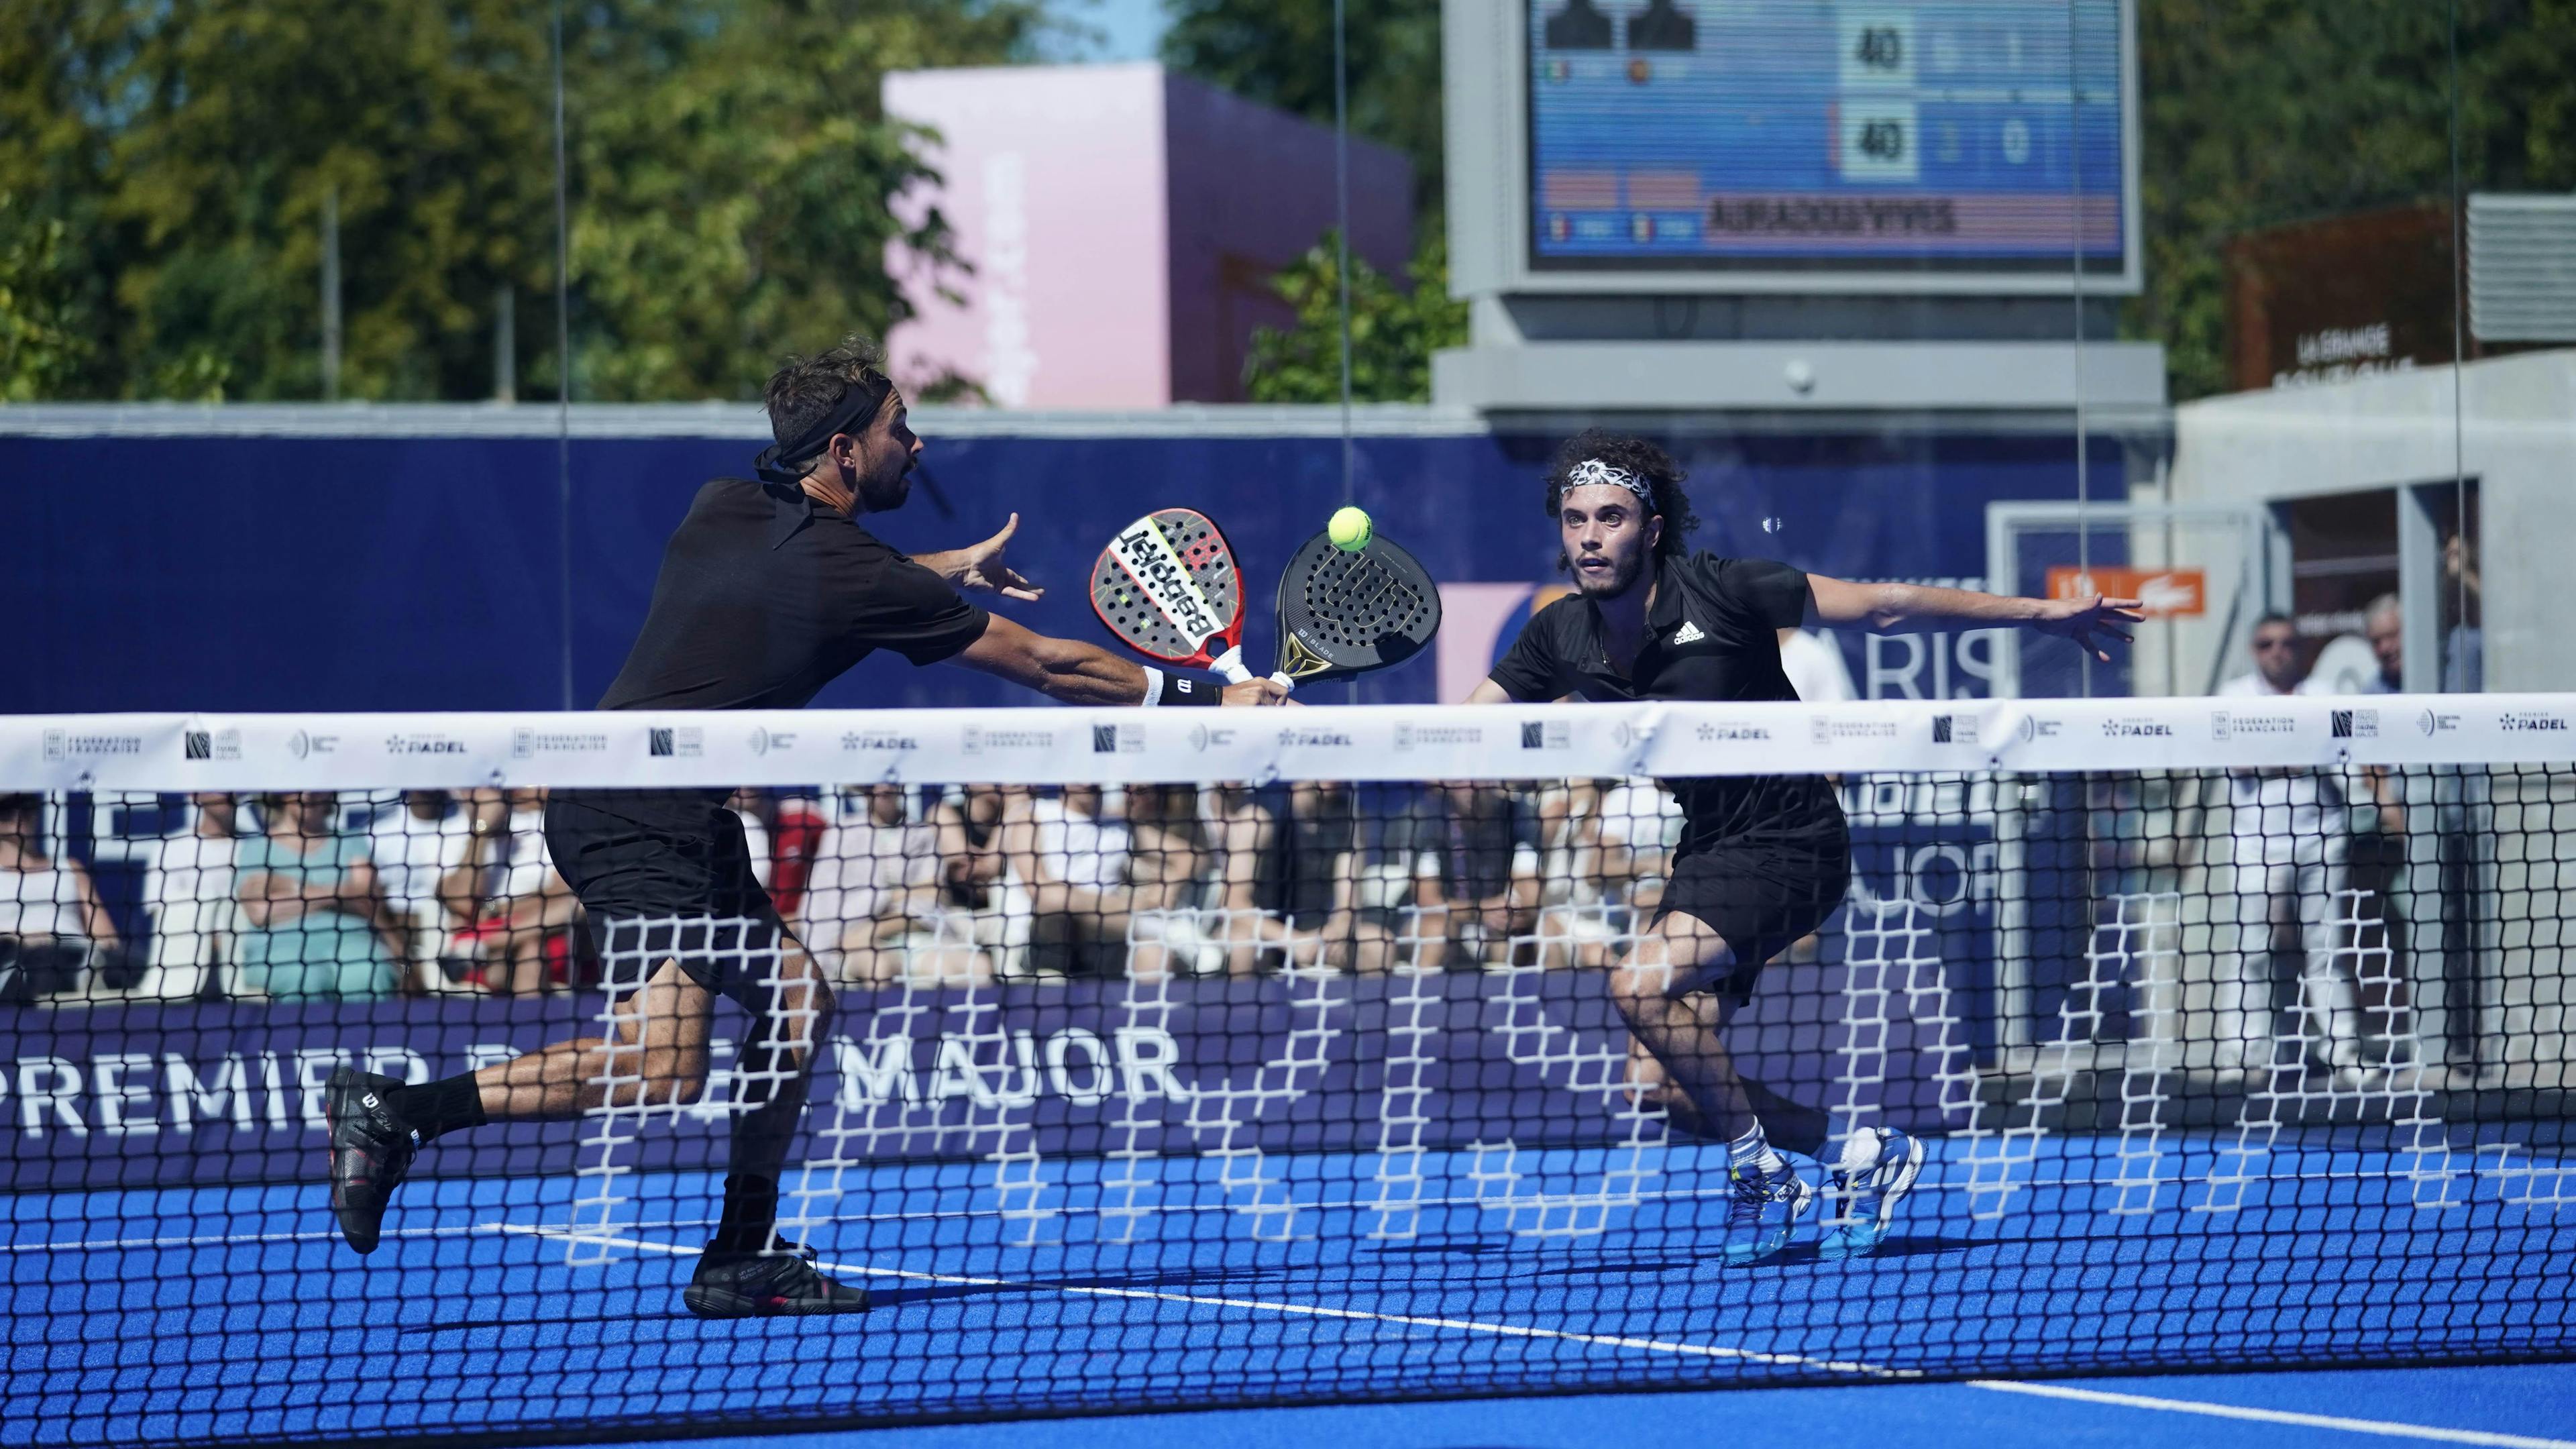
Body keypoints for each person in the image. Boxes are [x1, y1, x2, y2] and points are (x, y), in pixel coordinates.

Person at [323, 335, 1286, 1317]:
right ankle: (397, 1113)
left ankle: (740, 1252)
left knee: (796, 1001)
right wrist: (1215, 703)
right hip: (634, 819)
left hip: (659, 814)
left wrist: (944, 567)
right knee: (666, 1065)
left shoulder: (724, 505)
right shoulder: (854, 573)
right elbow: (1052, 666)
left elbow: (818, 574)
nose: (917, 443)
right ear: (844, 451)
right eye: (898, 429)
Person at [1458, 431, 2140, 1266]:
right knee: (1664, 1086)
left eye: (1611, 517)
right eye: (1575, 520)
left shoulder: (1726, 591)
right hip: (1708, 850)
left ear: (1654, 528)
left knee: (1638, 983)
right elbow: (1461, 730)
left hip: (1795, 838)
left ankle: (1760, 1172)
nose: (1591, 536)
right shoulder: (1559, 634)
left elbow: (1886, 604)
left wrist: (2046, 613)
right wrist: (1299, 724)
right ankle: (1861, 1156)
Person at [233, 791, 401, 1002]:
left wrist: (291, 887)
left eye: (315, 788)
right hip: (279, 948)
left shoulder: (351, 840)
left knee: (369, 972)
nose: (308, 795)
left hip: (351, 942)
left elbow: (367, 899)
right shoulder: (257, 848)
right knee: (306, 976)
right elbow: (260, 912)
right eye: (298, 788)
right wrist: (341, 893)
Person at [0, 793, 122, 1003]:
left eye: (27, 808)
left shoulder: (70, 868)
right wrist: (24, 941)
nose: (18, 816)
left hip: (73, 957)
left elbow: (107, 938)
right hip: (13, 962)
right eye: (6, 811)